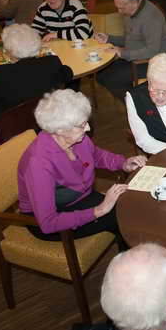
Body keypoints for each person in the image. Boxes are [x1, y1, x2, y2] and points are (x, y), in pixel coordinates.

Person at [18, 89, 147, 241]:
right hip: (52, 218)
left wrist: (123, 163)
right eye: (82, 125)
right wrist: (99, 210)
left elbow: (97, 155)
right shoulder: (38, 164)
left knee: (128, 210)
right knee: (124, 219)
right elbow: (48, 223)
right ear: (60, 130)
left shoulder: (77, 139)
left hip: (80, 198)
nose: (88, 128)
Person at [0, 24, 73, 126]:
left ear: (9, 51)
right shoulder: (52, 62)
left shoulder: (0, 73)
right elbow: (68, 73)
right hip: (45, 119)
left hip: (10, 127)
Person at [94, 0, 166, 100]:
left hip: (155, 62)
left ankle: (137, 103)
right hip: (136, 56)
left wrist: (122, 53)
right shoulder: (130, 12)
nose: (119, 11)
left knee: (112, 79)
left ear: (133, 2)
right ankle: (135, 98)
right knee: (101, 73)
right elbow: (131, 39)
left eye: (121, 8)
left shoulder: (150, 17)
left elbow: (152, 51)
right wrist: (109, 38)